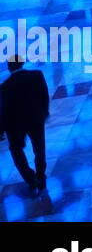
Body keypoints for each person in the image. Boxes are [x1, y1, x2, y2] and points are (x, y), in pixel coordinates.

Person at [1, 59, 50, 193]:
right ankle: (41, 176)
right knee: (39, 148)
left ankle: (30, 179)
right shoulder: (36, 75)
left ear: (10, 68)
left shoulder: (5, 86)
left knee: (16, 151)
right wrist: (44, 112)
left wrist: (1, 130)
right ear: (22, 63)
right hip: (35, 118)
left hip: (14, 124)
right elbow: (44, 95)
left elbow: (4, 110)